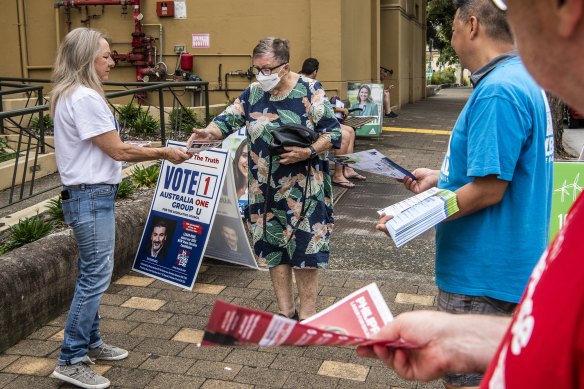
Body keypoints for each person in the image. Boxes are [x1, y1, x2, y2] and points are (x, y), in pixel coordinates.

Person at [356, 0, 584, 387]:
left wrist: (414, 216)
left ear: (472, 25)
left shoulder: (498, 90)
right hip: (507, 265)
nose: (452, 38)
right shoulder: (522, 79)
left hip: (482, 272)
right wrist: (440, 179)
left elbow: (489, 189)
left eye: (454, 29)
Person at [49, 28, 191, 389]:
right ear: (85, 59)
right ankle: (71, 358)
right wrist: (163, 152)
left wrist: (141, 146)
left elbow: (108, 145)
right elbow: (117, 151)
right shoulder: (84, 98)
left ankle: (91, 343)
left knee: (92, 273)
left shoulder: (73, 95)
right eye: (106, 56)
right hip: (91, 195)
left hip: (87, 194)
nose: (112, 62)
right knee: (95, 276)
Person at [187, 38, 341, 321]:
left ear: (286, 67)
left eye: (268, 69)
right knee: (274, 251)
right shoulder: (253, 93)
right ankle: (285, 312)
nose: (261, 75)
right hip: (264, 190)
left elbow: (333, 134)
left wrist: (307, 151)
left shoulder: (310, 90)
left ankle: (307, 315)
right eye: (257, 69)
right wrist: (207, 133)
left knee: (305, 251)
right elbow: (225, 121)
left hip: (304, 189)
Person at [298, 57, 366, 188]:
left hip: (315, 120)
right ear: (315, 71)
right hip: (309, 123)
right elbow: (321, 108)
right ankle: (338, 174)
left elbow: (323, 105)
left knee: (350, 131)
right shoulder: (312, 84)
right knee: (343, 135)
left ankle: (348, 168)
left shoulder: (299, 80)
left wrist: (338, 109)